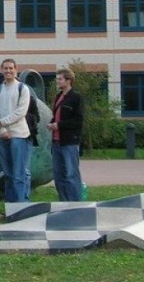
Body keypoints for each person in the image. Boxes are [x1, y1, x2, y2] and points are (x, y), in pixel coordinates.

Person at [0, 58, 31, 203]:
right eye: (5, 68)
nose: (8, 71)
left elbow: (21, 112)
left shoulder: (22, 89)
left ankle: (21, 206)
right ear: (1, 70)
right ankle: (10, 207)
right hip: (0, 136)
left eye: (11, 68)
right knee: (7, 174)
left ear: (16, 69)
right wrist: (1, 130)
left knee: (19, 173)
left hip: (18, 135)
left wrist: (2, 123)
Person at [47, 68, 85, 201]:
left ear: (68, 80)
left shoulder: (76, 98)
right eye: (57, 79)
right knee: (59, 175)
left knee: (71, 174)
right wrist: (52, 123)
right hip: (56, 141)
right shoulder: (59, 96)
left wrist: (59, 125)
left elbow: (78, 120)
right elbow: (57, 116)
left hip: (69, 141)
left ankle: (75, 203)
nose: (58, 81)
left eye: (60, 79)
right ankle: (63, 202)